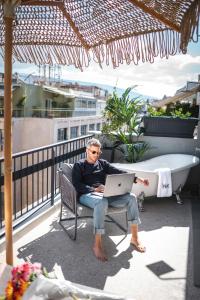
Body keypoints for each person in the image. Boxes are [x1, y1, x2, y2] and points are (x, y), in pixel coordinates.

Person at [72, 138, 149, 262]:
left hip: (105, 194)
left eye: (98, 152)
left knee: (132, 198)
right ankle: (97, 245)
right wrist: (94, 189)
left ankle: (134, 238)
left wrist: (137, 179)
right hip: (87, 195)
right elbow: (76, 184)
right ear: (87, 151)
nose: (96, 155)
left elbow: (120, 173)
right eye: (93, 152)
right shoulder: (79, 165)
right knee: (102, 202)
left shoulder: (103, 163)